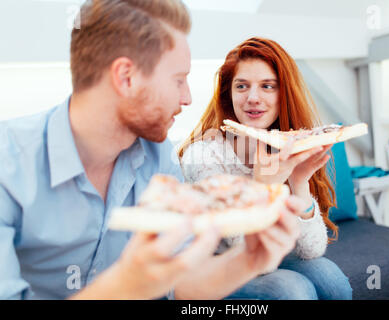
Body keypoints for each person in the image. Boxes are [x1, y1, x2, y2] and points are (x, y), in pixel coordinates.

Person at [0, 1, 302, 300]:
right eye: (178, 80)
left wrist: (248, 260)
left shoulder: (158, 157)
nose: (187, 97)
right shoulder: (9, 163)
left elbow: (179, 284)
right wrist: (126, 286)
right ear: (126, 77)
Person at [178, 37, 353, 300]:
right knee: (293, 290)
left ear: (284, 93)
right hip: (216, 267)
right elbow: (238, 248)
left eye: (267, 86)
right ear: (229, 93)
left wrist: (299, 183)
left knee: (331, 279)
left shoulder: (283, 145)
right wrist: (264, 186)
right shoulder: (203, 155)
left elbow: (311, 250)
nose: (253, 98)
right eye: (242, 86)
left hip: (267, 255)